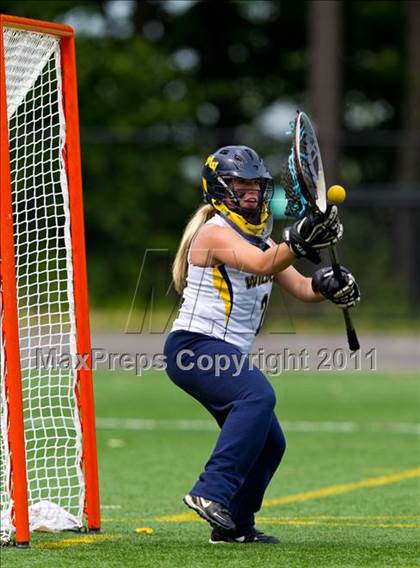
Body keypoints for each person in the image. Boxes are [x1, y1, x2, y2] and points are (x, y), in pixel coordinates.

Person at [163, 146, 360, 544]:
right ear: (219, 189)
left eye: (255, 184)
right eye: (240, 183)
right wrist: (302, 237)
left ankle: (234, 526)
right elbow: (262, 266)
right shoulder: (213, 232)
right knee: (256, 397)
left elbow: (303, 288)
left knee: (270, 444)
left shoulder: (264, 241)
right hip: (195, 347)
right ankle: (210, 491)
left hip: (222, 353)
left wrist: (330, 285)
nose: (250, 192)